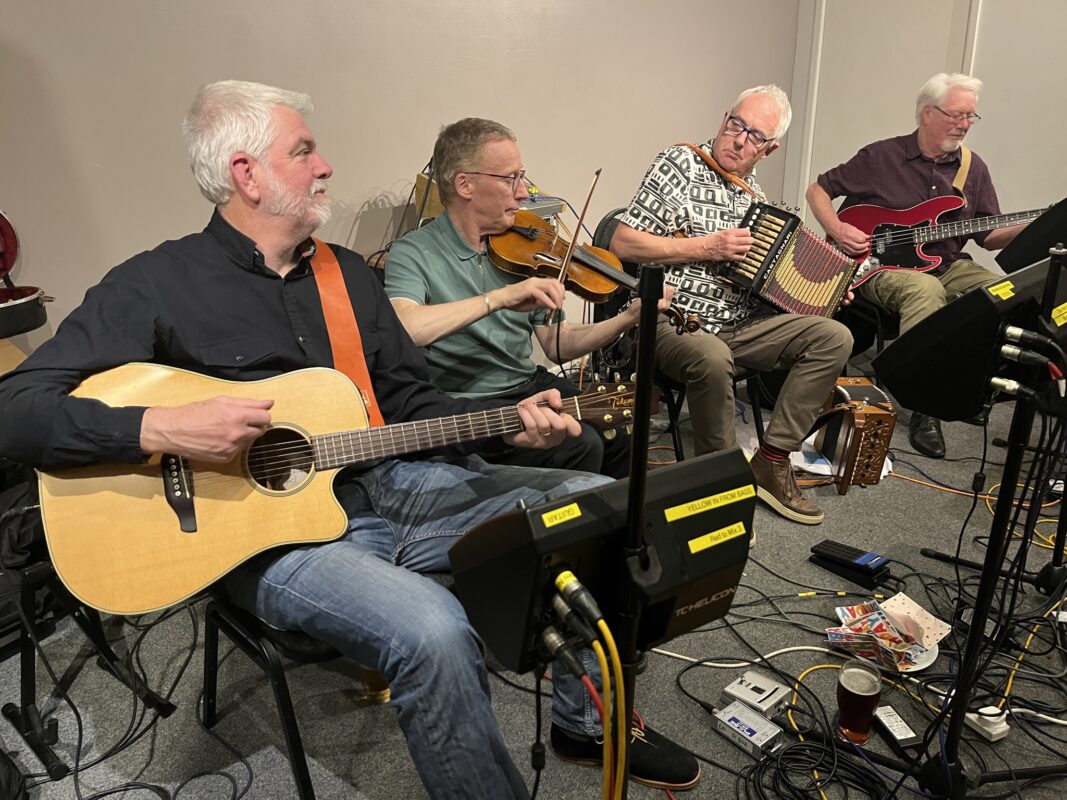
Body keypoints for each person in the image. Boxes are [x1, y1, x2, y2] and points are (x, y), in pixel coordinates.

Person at [0, 82, 697, 796]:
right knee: (433, 628)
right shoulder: (155, 283)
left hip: (390, 484)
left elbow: (412, 402)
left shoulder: (343, 278)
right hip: (272, 540)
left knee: (598, 508)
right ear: (246, 173)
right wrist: (160, 425)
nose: (325, 165)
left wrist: (508, 423)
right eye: (304, 150)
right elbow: (16, 408)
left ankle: (584, 726)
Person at [610, 85, 853, 526]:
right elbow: (622, 242)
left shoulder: (756, 199)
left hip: (739, 324)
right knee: (712, 355)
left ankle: (772, 460)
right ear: (724, 118)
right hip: (670, 318)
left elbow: (772, 288)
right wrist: (706, 247)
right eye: (735, 125)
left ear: (770, 148)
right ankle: (715, 488)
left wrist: (826, 292)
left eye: (755, 136)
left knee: (834, 335)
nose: (739, 140)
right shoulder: (679, 163)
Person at [385, 118, 671, 479]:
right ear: (465, 184)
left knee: (620, 434)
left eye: (523, 177)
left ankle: (610, 533)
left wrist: (627, 318)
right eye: (510, 178)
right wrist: (500, 297)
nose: (523, 192)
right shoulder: (413, 252)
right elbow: (407, 328)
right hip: (468, 405)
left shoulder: (524, 249)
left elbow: (558, 345)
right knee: (581, 445)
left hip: (530, 384)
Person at [806, 73, 1026, 459]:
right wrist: (837, 228)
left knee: (1003, 294)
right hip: (877, 265)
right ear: (927, 112)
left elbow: (987, 235)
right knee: (925, 291)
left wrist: (1032, 227)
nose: (964, 125)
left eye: (971, 117)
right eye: (957, 115)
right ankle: (925, 407)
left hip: (947, 262)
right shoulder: (881, 157)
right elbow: (818, 189)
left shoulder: (973, 169)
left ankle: (972, 391)